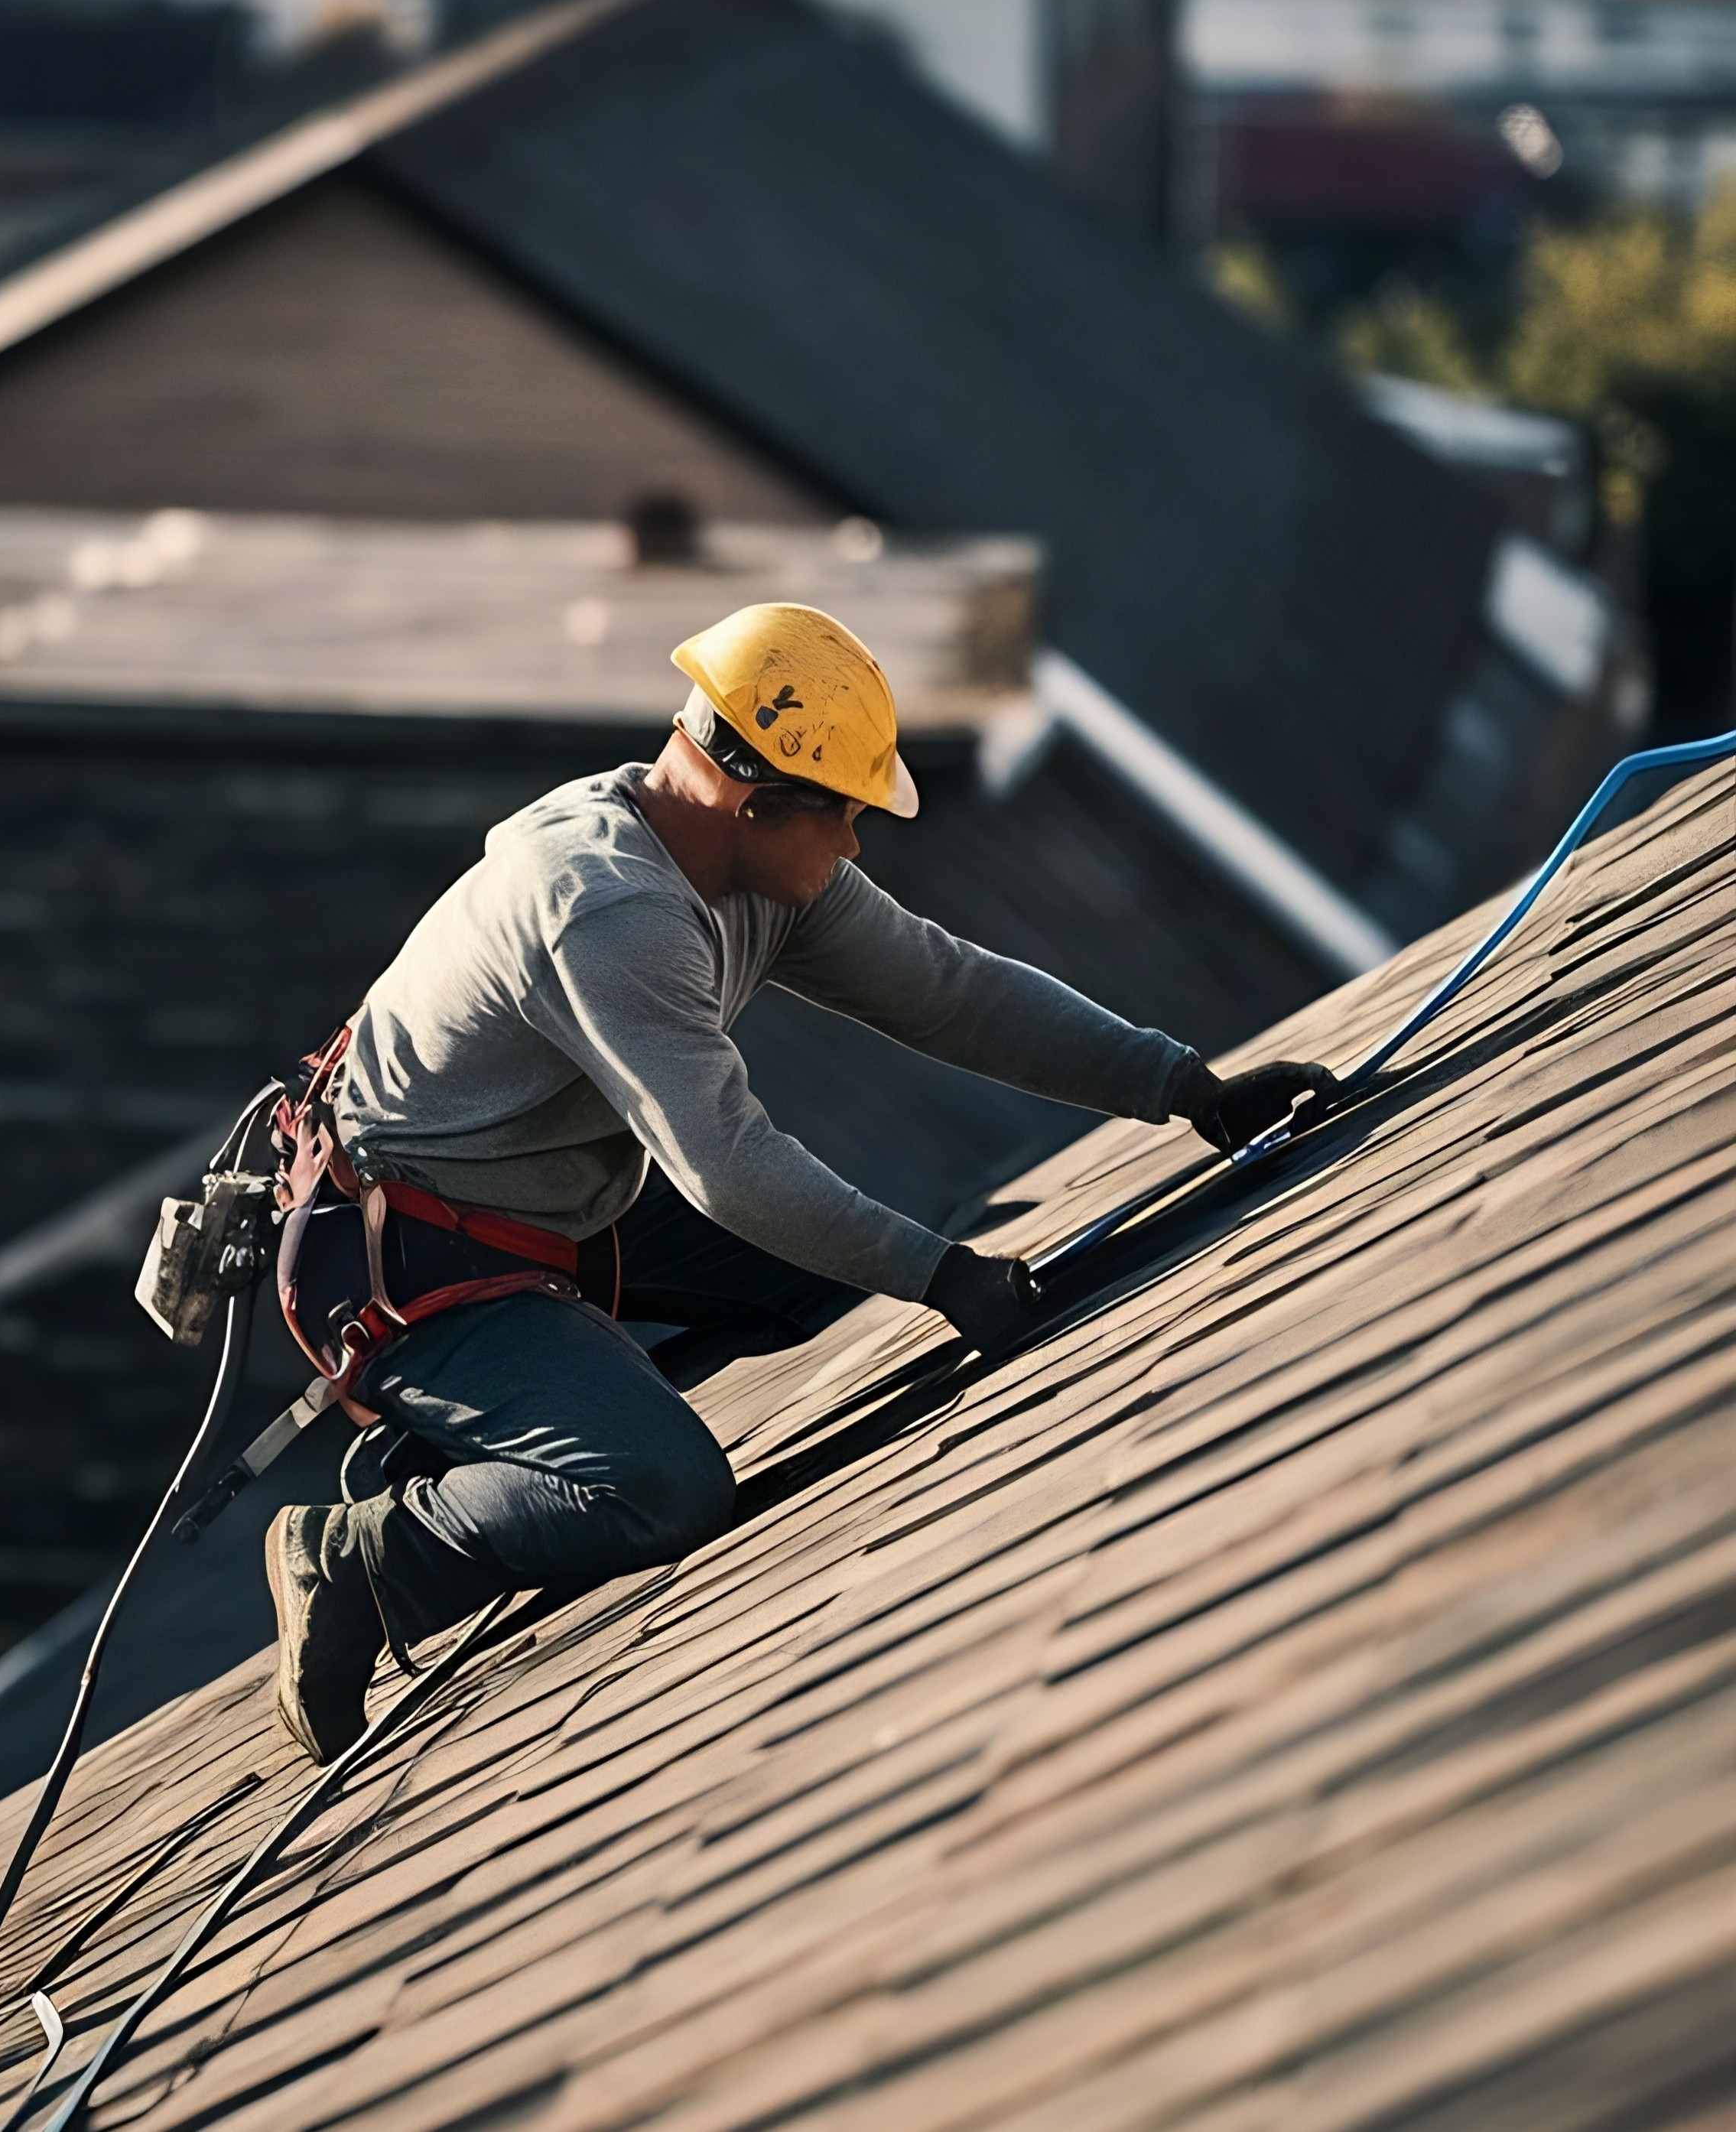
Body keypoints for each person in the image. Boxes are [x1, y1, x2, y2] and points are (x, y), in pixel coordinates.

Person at [265, 603, 1331, 1760]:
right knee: (664, 1489)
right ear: (761, 801)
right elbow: (726, 1164)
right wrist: (938, 1277)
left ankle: (527, 1420)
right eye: (848, 818)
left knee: (824, 1268)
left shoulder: (744, 862)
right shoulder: (611, 907)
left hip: (558, 1209)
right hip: (418, 1263)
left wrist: (1187, 1088)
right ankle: (368, 1562)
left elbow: (950, 990)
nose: (858, 848)